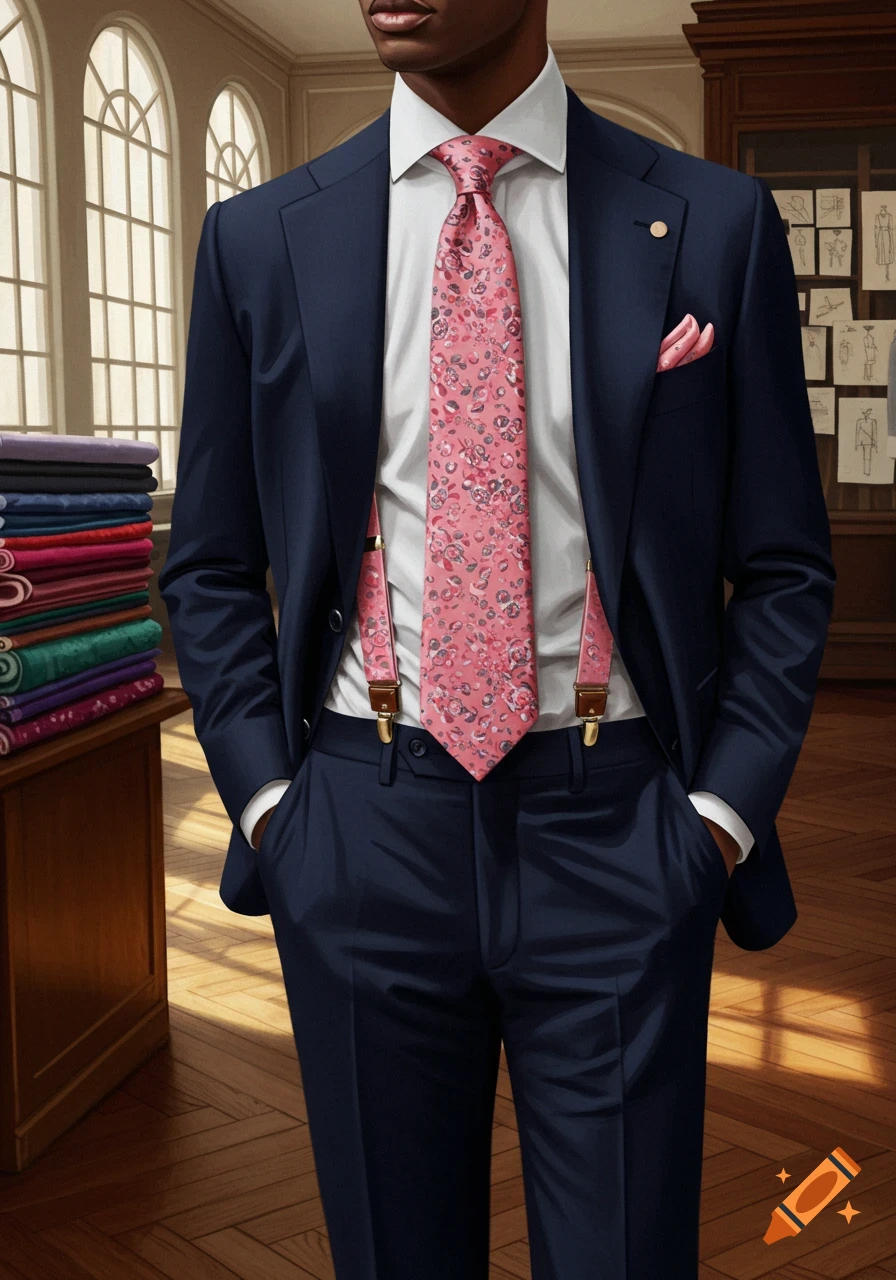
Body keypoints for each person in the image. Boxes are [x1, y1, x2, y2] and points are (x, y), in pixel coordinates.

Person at [158, 0, 836, 1274]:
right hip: (362, 826)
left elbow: (786, 566)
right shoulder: (257, 240)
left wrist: (714, 823)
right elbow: (206, 560)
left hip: (622, 829)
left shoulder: (713, 225)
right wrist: (269, 810)